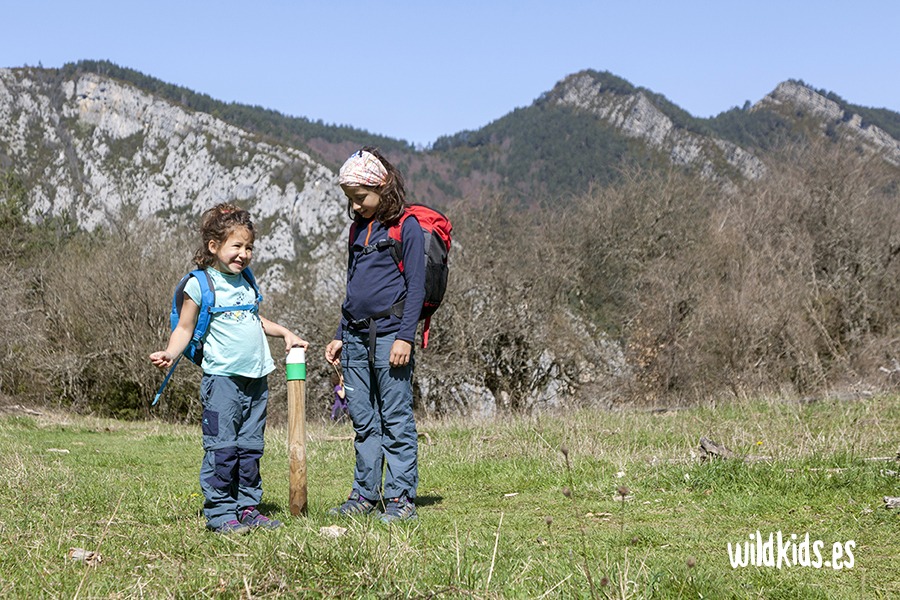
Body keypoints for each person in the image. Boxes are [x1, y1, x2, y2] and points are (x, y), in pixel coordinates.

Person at [150, 203, 308, 535]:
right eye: (237, 246)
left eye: (249, 247)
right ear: (214, 246)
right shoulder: (201, 285)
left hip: (256, 379)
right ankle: (221, 512)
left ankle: (247, 506)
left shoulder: (246, 281)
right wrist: (169, 351)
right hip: (223, 380)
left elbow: (253, 318)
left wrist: (285, 333)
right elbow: (185, 328)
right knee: (222, 448)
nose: (244, 254)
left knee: (250, 447)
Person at [325, 147, 425, 523]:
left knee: (395, 418)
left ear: (381, 186)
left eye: (360, 198)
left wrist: (405, 337)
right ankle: (365, 495)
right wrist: (339, 333)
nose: (355, 206)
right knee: (364, 421)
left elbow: (415, 287)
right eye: (350, 200)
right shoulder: (358, 228)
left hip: (390, 338)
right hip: (353, 337)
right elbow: (353, 287)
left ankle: (400, 498)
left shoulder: (406, 226)